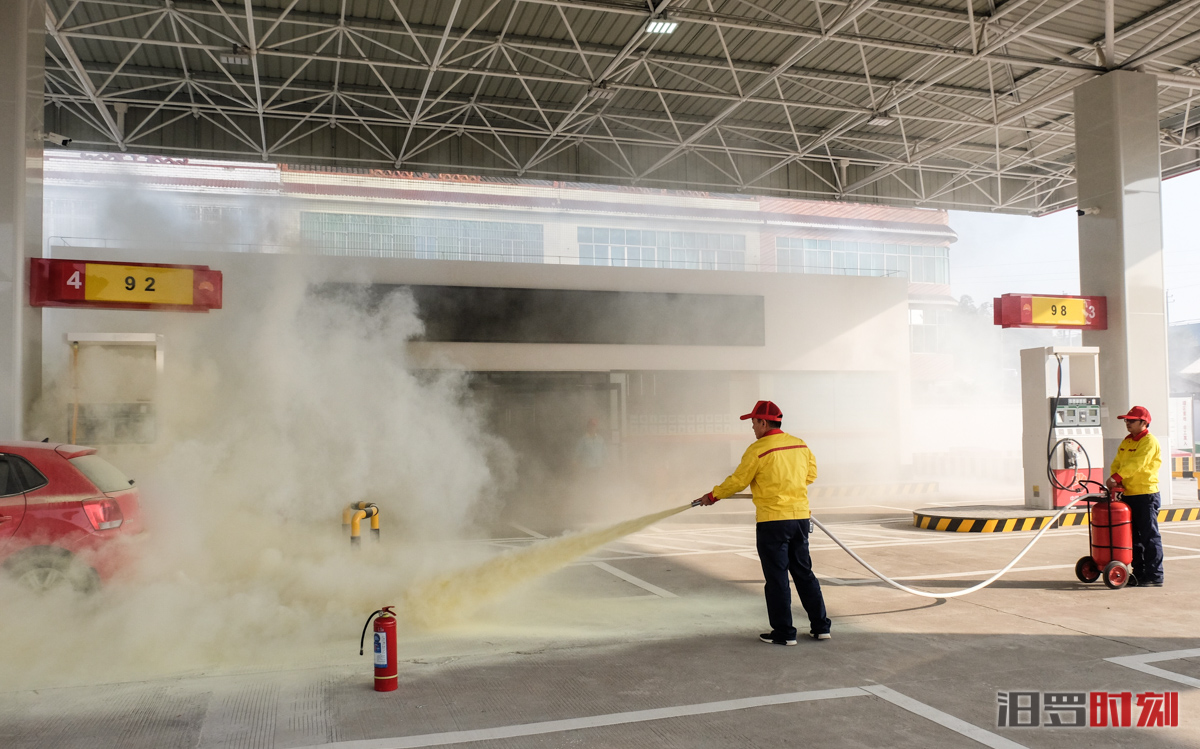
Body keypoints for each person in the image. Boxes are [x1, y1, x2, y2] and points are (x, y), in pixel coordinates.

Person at [695, 400, 831, 645]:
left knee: (777, 577)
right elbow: (811, 475)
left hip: (773, 521)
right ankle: (821, 626)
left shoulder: (758, 449)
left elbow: (738, 481)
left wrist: (713, 496)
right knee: (804, 573)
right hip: (800, 517)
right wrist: (790, 489)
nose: (752, 428)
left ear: (764, 422)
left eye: (754, 422)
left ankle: (785, 633)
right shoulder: (800, 445)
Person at [1105, 405, 1164, 587]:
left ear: (1144, 422)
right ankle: (1138, 574)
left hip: (1146, 494)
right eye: (1126, 420)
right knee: (1133, 538)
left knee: (1149, 536)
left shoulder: (1149, 442)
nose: (1127, 424)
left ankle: (1154, 575)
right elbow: (1117, 463)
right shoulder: (1127, 441)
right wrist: (1117, 480)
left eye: (1131, 421)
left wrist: (1116, 478)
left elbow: (1138, 464)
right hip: (1129, 494)